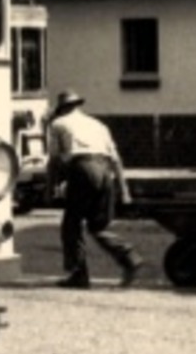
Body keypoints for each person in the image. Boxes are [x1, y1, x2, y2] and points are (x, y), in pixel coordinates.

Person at [46, 89, 144, 288]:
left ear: (62, 108)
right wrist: (124, 191)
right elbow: (116, 160)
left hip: (82, 170)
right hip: (105, 172)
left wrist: (50, 188)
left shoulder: (58, 124)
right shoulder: (98, 125)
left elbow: (54, 160)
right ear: (77, 106)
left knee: (72, 225)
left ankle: (78, 275)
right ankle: (129, 257)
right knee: (98, 227)